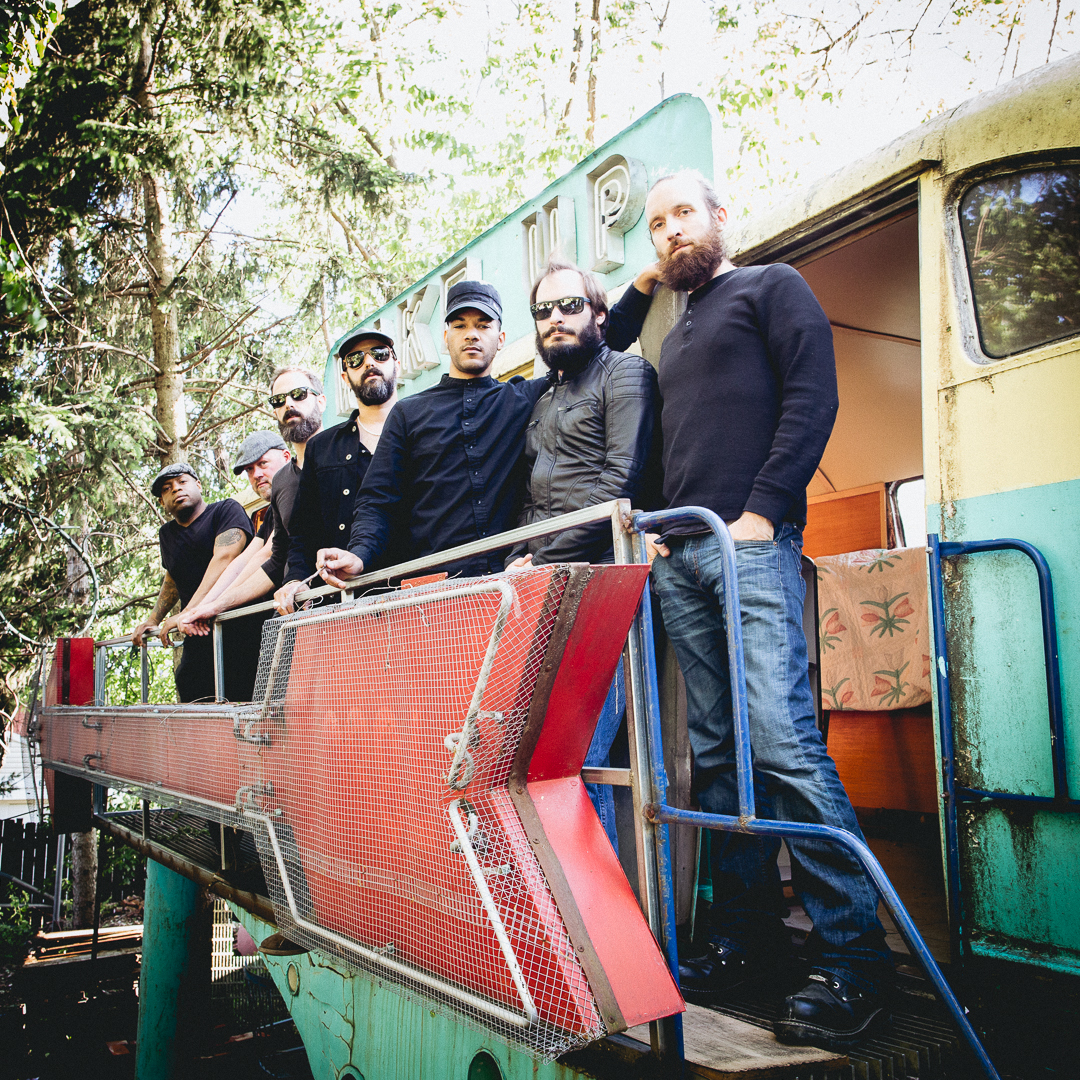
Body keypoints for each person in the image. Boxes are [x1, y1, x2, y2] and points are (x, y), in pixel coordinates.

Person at [608, 169, 893, 1048]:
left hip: (754, 547)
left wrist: (764, 511)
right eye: (656, 224)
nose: (669, 231)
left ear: (721, 217)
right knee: (718, 752)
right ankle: (747, 937)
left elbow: (813, 398)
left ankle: (855, 960)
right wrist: (657, 525)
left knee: (780, 739)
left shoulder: (773, 286)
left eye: (683, 214)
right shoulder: (673, 333)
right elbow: (627, 379)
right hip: (682, 554)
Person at [507, 256, 658, 852]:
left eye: (570, 305)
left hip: (601, 583)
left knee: (578, 757)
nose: (555, 319)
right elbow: (530, 494)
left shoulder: (625, 373)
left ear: (599, 314)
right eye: (543, 310)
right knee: (537, 758)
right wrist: (520, 558)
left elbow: (620, 482)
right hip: (541, 587)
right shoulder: (543, 397)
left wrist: (543, 559)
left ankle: (604, 901)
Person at [317, 281, 549, 589]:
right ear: (445, 337)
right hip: (435, 592)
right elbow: (377, 499)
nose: (471, 334)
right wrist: (359, 554)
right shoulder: (408, 413)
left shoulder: (522, 398)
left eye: (483, 325)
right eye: (460, 325)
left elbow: (587, 349)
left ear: (500, 339)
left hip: (512, 580)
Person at [179, 368, 326, 627]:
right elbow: (270, 558)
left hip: (361, 602)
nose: (289, 404)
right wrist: (210, 606)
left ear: (321, 400)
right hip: (304, 616)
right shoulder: (283, 483)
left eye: (298, 394)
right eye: (278, 400)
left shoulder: (349, 452)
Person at [273, 334, 400, 614]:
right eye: (355, 359)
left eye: (379, 353)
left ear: (397, 364)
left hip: (419, 595)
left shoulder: (424, 429)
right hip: (345, 605)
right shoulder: (322, 448)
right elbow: (303, 534)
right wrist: (295, 580)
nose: (369, 362)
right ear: (345, 377)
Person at [175, 430, 292, 699]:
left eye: (263, 464)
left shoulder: (294, 486)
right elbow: (246, 558)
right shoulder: (271, 510)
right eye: (250, 470)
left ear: (287, 457)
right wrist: (202, 606)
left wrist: (215, 605)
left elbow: (268, 556)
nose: (256, 475)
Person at [132, 464, 253, 702]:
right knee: (191, 688)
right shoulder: (167, 534)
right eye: (167, 488)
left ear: (198, 485)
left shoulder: (226, 510)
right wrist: (153, 619)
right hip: (199, 635)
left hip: (242, 629)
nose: (176, 489)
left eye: (182, 482)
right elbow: (173, 577)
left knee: (245, 701)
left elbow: (225, 558)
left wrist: (186, 613)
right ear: (162, 502)